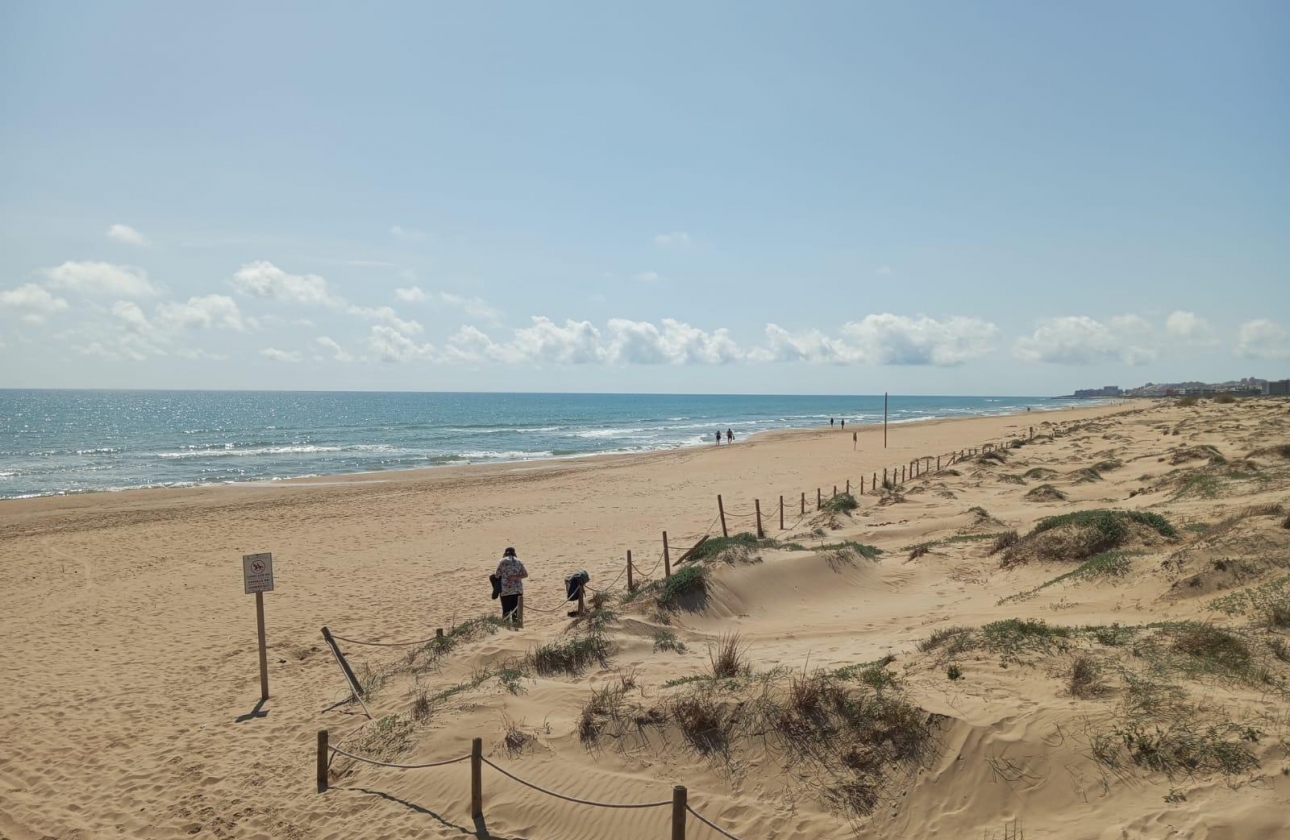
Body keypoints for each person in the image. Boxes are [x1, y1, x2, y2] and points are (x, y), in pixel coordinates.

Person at [494, 547, 528, 623]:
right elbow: (525, 574)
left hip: (505, 590)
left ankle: (506, 629)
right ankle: (516, 627)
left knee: (506, 611)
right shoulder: (519, 561)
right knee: (515, 612)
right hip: (517, 590)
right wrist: (516, 577)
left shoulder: (502, 561)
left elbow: (497, 575)